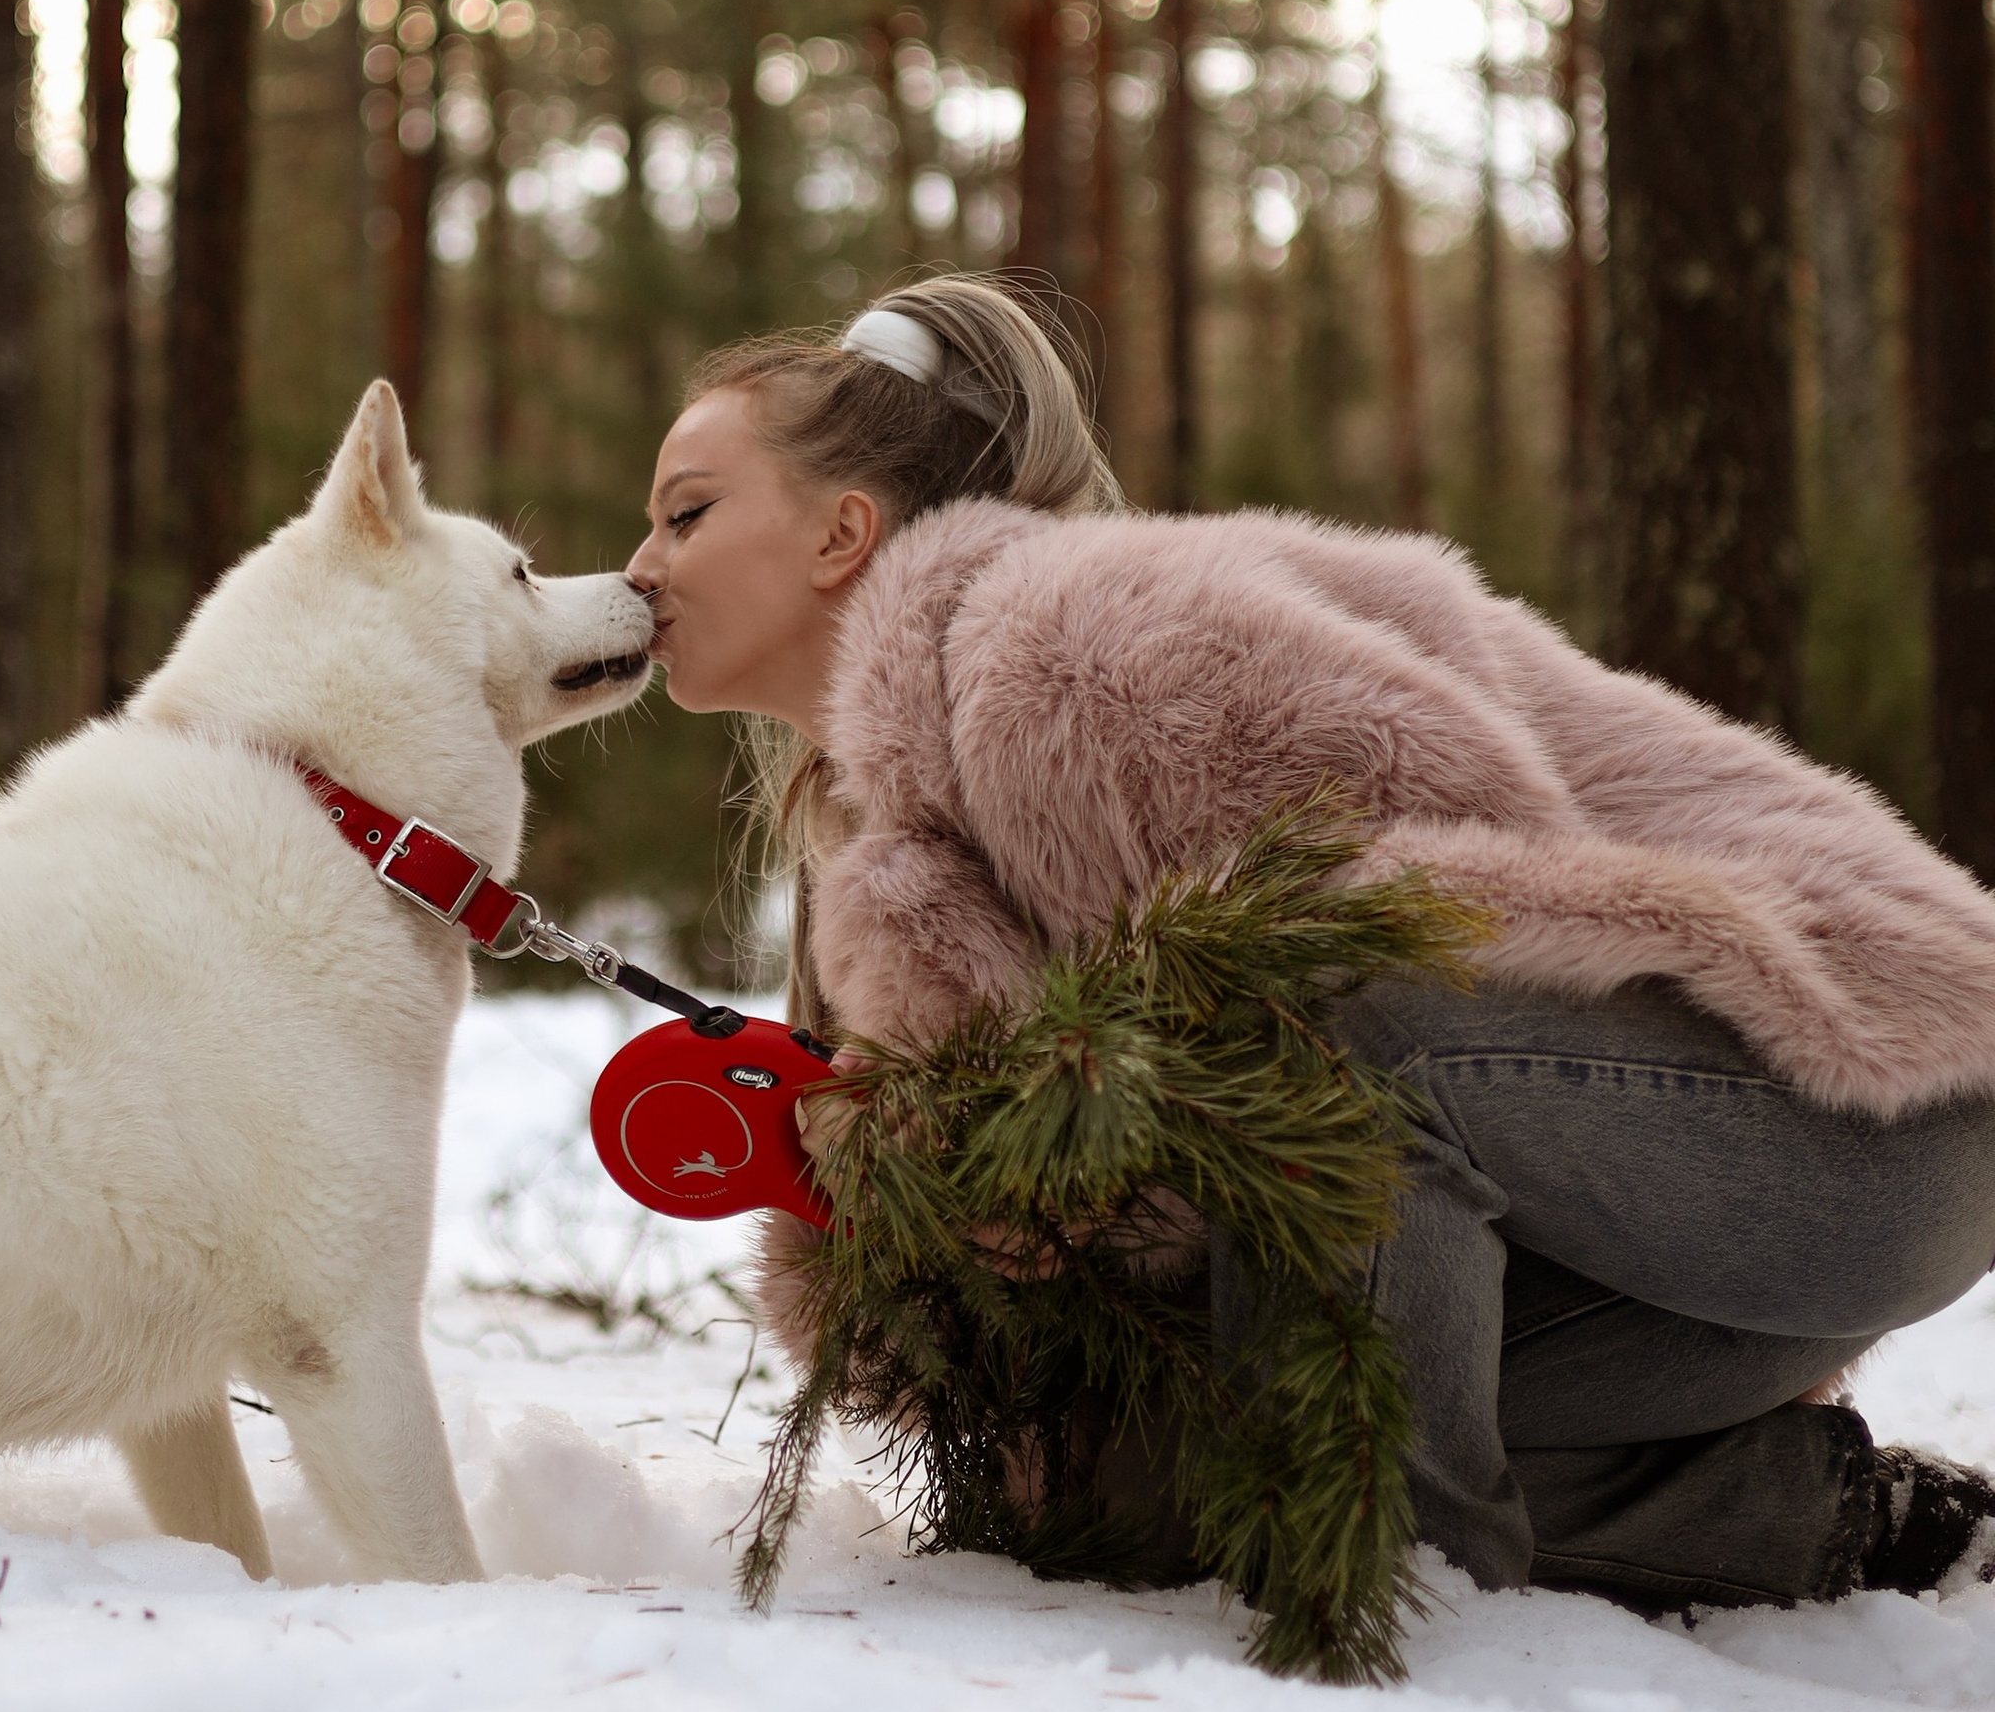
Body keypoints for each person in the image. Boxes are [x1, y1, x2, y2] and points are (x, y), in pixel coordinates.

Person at [623, 272, 1995, 1616]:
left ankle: (1401, 1586)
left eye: (685, 514)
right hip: (1641, 1215)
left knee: (1345, 987)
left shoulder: (1078, 643)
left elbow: (1469, 916)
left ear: (841, 532)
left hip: (1861, 1090)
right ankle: (1823, 1513)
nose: (640, 568)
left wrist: (1087, 1152)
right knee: (1138, 1478)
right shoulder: (905, 838)